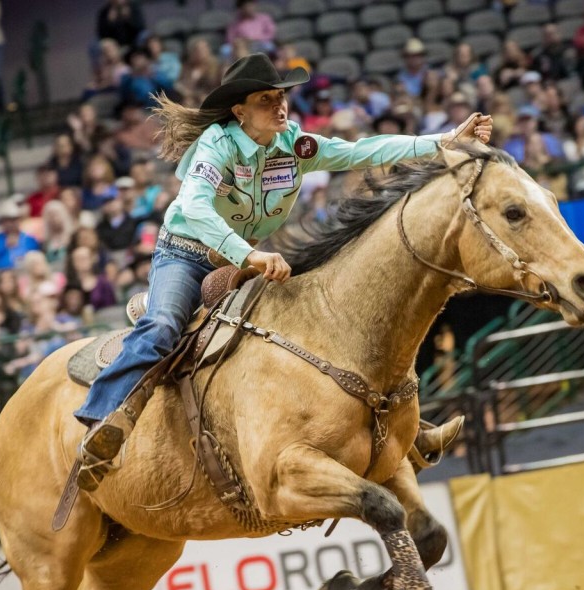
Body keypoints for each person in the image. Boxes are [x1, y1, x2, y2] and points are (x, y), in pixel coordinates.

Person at [74, 53, 492, 492]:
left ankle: (405, 431)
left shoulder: (293, 145)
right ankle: (99, 420)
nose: (280, 106)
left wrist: (443, 141)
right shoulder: (217, 144)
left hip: (245, 261)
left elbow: (359, 152)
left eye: (281, 97)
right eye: (265, 99)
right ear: (240, 111)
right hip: (186, 254)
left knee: (316, 325)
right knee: (161, 326)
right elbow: (195, 207)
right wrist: (249, 256)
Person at [0, 199, 42, 270]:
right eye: (8, 220)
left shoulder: (30, 239)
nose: (12, 223)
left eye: (15, 219)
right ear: (1, 222)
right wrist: (4, 245)